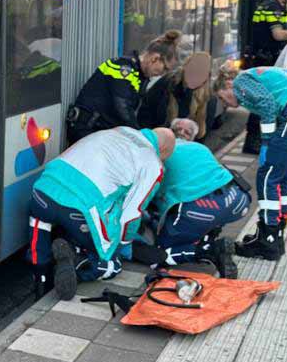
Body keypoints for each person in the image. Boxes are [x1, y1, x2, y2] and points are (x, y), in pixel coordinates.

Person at [27, 126, 176, 300]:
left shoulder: (119, 130)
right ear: (163, 151)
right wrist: (122, 245)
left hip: (43, 189)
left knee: (40, 220)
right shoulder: (153, 164)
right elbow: (131, 215)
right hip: (79, 209)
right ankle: (79, 263)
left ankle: (40, 276)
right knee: (111, 259)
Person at [217, 66, 287, 260]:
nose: (225, 104)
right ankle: (277, 232)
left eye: (222, 97)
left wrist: (266, 142)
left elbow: (267, 105)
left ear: (228, 84)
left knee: (267, 175)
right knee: (285, 176)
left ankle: (268, 239)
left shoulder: (241, 81)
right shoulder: (261, 76)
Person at [151, 136, 248, 277]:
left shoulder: (157, 158)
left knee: (159, 255)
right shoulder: (198, 147)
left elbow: (151, 199)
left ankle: (209, 251)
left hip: (203, 209)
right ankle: (208, 235)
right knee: (205, 217)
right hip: (237, 200)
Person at [67, 31, 181, 143]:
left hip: (102, 133)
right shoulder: (123, 67)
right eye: (165, 68)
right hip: (86, 129)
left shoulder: (141, 76)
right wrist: (139, 136)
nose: (163, 73)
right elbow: (122, 106)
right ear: (155, 58)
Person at [243, 0, 287, 153]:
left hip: (261, 58)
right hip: (266, 60)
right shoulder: (273, 6)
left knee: (260, 100)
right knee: (264, 101)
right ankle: (255, 142)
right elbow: (278, 35)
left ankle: (255, 141)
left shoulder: (267, 4)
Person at [138, 51, 213, 137]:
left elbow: (204, 131)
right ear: (185, 67)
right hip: (157, 136)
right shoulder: (168, 82)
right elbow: (146, 109)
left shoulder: (208, 97)